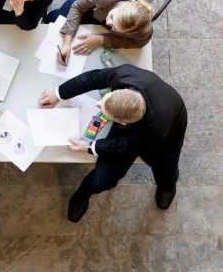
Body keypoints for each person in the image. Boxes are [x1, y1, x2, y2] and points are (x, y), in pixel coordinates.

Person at [38, 64, 187, 223]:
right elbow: (90, 79)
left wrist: (89, 148)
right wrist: (58, 94)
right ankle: (82, 194)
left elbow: (126, 146)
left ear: (123, 123)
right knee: (101, 180)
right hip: (136, 118)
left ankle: (167, 185)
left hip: (168, 132)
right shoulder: (123, 75)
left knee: (165, 166)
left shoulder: (156, 128)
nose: (98, 106)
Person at [45, 0, 154, 66]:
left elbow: (137, 43)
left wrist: (101, 39)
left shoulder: (144, 31)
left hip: (103, 6)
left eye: (115, 28)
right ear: (123, 5)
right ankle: (47, 19)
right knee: (57, 19)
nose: (108, 23)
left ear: (130, 32)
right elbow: (78, 7)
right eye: (112, 17)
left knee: (75, 24)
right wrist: (67, 42)